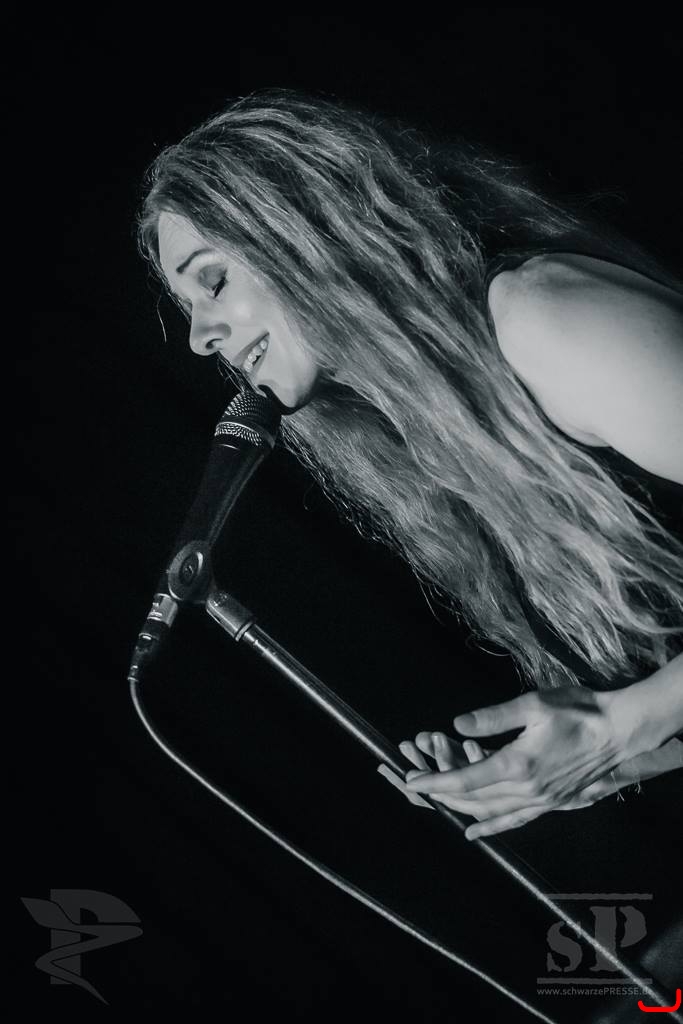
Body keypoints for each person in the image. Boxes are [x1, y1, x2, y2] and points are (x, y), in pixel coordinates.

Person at [136, 87, 683, 841]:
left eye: (214, 280)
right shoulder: (445, 427)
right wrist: (567, 765)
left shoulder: (543, 319)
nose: (201, 338)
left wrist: (624, 723)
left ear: (305, 230)